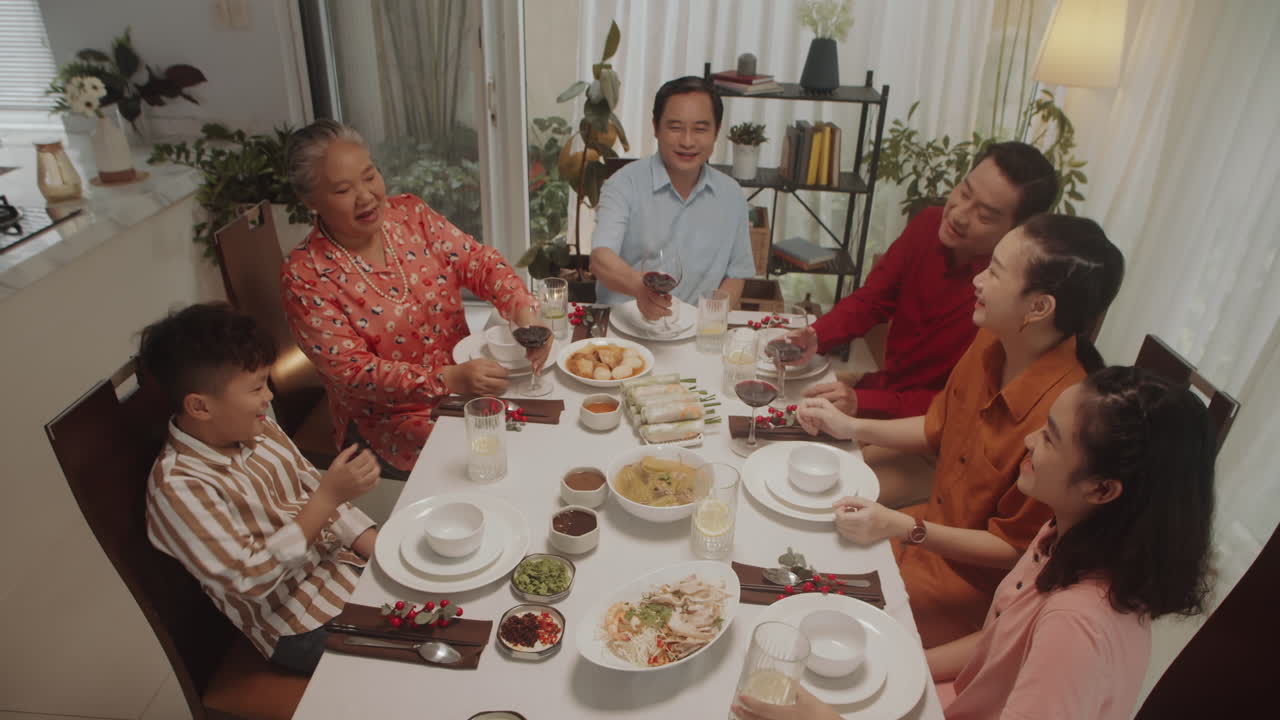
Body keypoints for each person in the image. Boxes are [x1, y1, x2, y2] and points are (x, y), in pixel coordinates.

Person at [735, 366, 1216, 720]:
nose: (1028, 441)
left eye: (1049, 439)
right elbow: (998, 642)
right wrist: (905, 667)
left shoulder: (1078, 626)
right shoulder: (1063, 533)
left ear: (1102, 489)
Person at [797, 213, 1125, 648]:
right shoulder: (993, 340)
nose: (978, 280)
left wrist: (904, 528)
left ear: (1039, 307)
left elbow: (1014, 548)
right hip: (923, 528)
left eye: (995, 272)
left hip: (966, 586)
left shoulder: (1064, 413)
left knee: (819, 622)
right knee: (801, 555)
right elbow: (941, 428)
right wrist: (851, 426)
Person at [280, 119, 548, 475]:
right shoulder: (305, 274)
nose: (366, 195)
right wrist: (448, 380)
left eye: (370, 175)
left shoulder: (409, 214)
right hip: (392, 419)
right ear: (310, 201)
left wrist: (524, 313)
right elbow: (353, 372)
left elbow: (478, 263)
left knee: (543, 432)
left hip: (468, 385)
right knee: (499, 459)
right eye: (343, 190)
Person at [142, 303, 382, 675]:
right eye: (256, 388)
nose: (268, 398)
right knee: (420, 658)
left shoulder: (256, 427)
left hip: (343, 568)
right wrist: (328, 497)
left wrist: (381, 554)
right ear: (200, 407)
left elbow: (316, 493)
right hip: (299, 624)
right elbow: (249, 578)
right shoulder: (178, 487)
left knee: (446, 596)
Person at [785, 142, 1057, 421]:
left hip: (928, 427)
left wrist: (862, 403)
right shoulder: (927, 224)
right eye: (964, 192)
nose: (959, 214)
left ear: (1017, 231)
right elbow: (873, 300)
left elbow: (959, 403)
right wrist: (818, 335)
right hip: (881, 391)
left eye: (984, 216)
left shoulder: (1008, 296)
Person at [590, 75, 757, 319]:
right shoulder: (623, 184)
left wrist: (708, 320)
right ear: (656, 127)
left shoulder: (731, 196)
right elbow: (600, 259)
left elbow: (736, 274)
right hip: (623, 329)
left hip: (695, 331)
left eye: (700, 128)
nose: (687, 141)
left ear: (716, 131)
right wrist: (641, 289)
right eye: (675, 127)